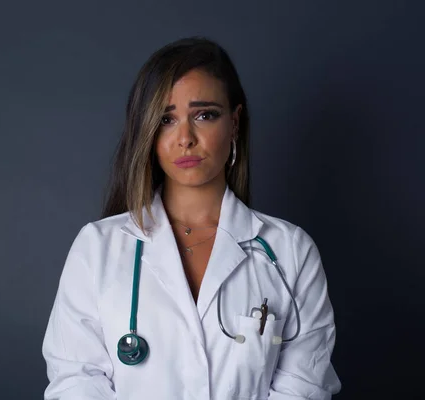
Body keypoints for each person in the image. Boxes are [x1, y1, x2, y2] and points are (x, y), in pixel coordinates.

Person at [42, 37, 341, 400]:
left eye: (204, 115)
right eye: (166, 119)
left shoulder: (291, 251)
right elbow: (76, 382)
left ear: (234, 123)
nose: (185, 138)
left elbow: (304, 387)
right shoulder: (97, 248)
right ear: (147, 133)